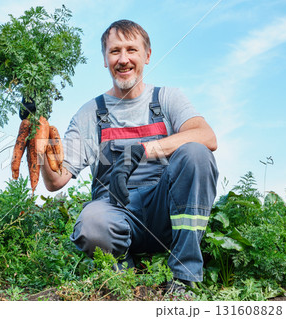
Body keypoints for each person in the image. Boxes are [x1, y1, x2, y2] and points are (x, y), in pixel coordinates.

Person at [41, 19, 218, 292]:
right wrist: (37, 143)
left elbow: (207, 137)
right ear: (104, 59)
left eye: (131, 50)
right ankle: (124, 269)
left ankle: (184, 274)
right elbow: (55, 181)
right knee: (91, 222)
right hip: (116, 210)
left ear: (147, 55)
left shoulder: (167, 98)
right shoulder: (91, 113)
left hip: (165, 210)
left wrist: (142, 151)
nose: (123, 60)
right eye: (114, 52)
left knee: (196, 153)